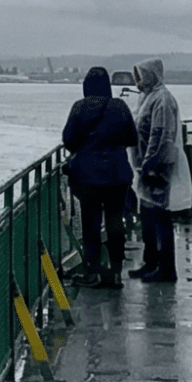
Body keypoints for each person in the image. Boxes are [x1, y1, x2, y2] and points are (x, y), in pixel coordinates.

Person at [61, 67, 137, 288]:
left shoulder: (79, 107)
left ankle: (93, 272)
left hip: (88, 176)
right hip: (117, 175)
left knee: (91, 224)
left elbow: (69, 140)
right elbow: (132, 137)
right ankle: (115, 273)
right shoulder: (119, 106)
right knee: (115, 221)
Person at [128, 58, 192, 282]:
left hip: (157, 169)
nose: (138, 81)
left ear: (152, 75)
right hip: (145, 167)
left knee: (161, 218)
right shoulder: (148, 97)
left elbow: (161, 135)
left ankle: (166, 268)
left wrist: (151, 164)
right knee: (148, 216)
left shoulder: (162, 99)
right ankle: (151, 262)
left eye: (141, 75)